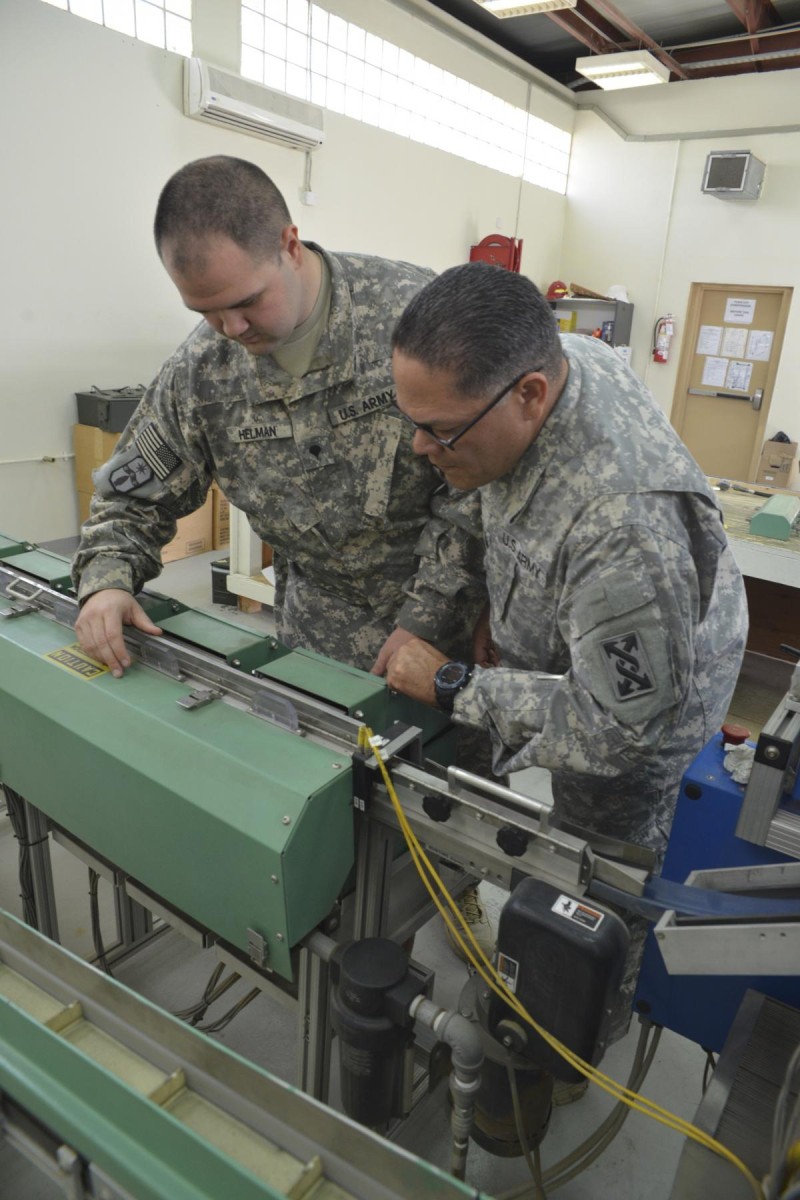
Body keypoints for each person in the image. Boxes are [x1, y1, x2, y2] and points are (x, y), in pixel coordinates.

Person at [71, 156, 492, 952]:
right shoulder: (204, 368)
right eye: (206, 311)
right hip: (318, 644)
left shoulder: (413, 319)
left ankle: (458, 949)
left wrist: (430, 621)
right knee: (329, 847)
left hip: (447, 639)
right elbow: (132, 491)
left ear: (290, 245)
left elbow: (482, 492)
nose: (231, 330)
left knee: (444, 848)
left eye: (243, 303)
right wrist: (106, 580)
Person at [381, 261, 749, 1059]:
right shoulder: (557, 357)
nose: (420, 447)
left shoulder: (623, 527)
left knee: (597, 873)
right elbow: (510, 504)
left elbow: (622, 728)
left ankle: (572, 1041)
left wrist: (454, 684)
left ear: (530, 396)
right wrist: (490, 606)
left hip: (648, 697)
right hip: (593, 623)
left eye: (440, 430)